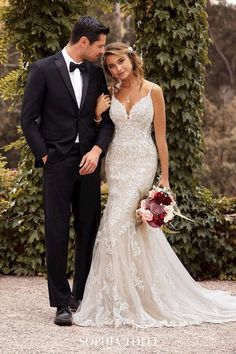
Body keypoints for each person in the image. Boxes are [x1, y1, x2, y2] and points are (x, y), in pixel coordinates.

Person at [73, 42, 236, 328]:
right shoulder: (110, 92)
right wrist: (98, 114)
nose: (117, 69)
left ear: (132, 59)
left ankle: (135, 298)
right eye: (111, 66)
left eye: (120, 62)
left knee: (119, 223)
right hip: (117, 162)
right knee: (122, 225)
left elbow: (160, 138)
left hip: (142, 162)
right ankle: (124, 296)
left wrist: (165, 177)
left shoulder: (154, 90)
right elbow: (102, 130)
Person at [20, 16, 114, 326]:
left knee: (88, 227)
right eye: (99, 46)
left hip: (89, 161)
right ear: (84, 42)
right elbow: (28, 119)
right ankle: (60, 302)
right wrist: (45, 155)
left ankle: (80, 296)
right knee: (57, 231)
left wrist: (97, 150)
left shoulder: (96, 74)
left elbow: (107, 119)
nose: (102, 52)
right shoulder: (43, 70)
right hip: (57, 162)